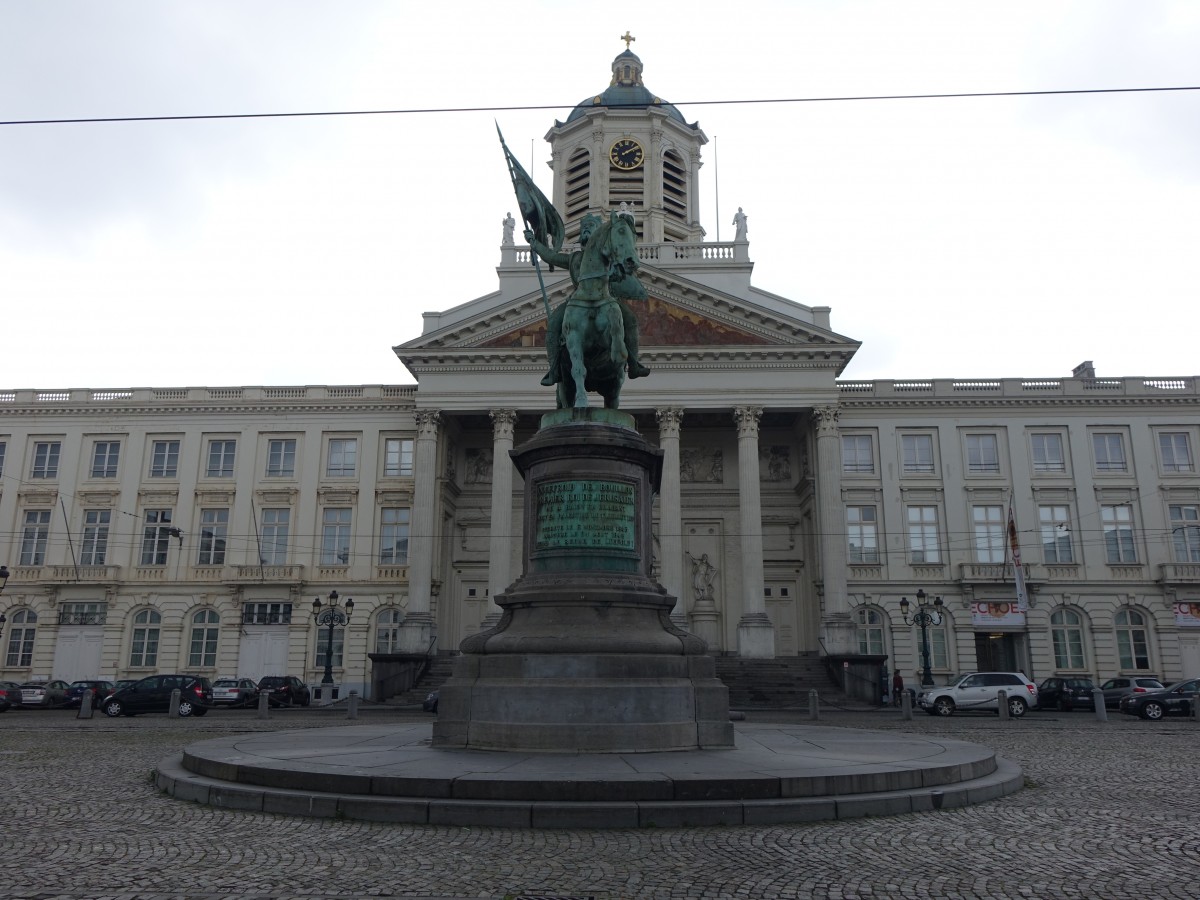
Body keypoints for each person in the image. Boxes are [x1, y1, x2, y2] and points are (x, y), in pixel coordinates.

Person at [525, 213, 650, 387]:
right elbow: (551, 257)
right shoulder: (574, 258)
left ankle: (634, 363)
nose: (586, 230)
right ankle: (553, 370)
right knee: (554, 323)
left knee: (630, 320)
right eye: (584, 228)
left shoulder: (608, 256)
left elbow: (621, 270)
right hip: (578, 300)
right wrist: (534, 243)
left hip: (606, 298)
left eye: (590, 227)